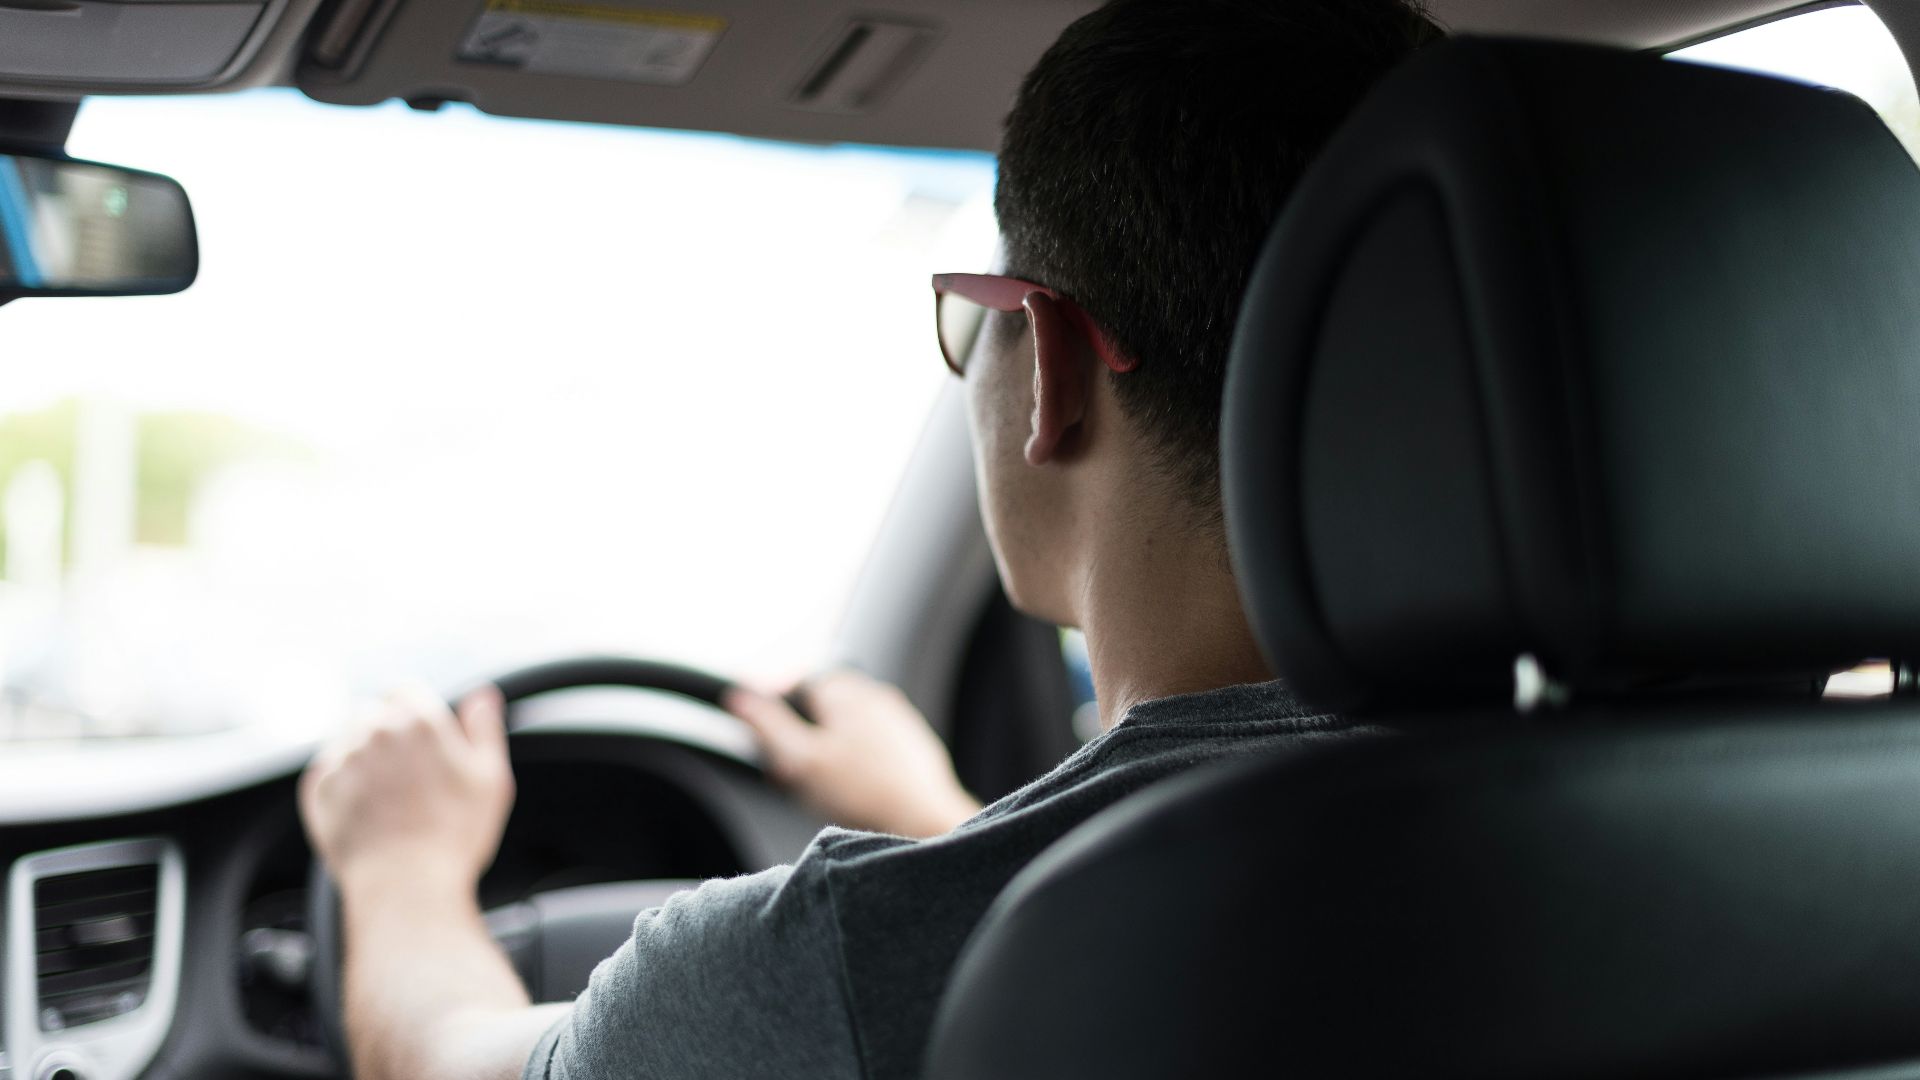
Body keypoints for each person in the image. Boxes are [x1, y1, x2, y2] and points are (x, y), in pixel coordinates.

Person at [295, 2, 1446, 1077]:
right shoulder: (1583, 835)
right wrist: (945, 820)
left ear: (1050, 365)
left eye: (971, 317)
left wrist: (399, 866)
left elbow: (450, 1054)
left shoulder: (834, 955)